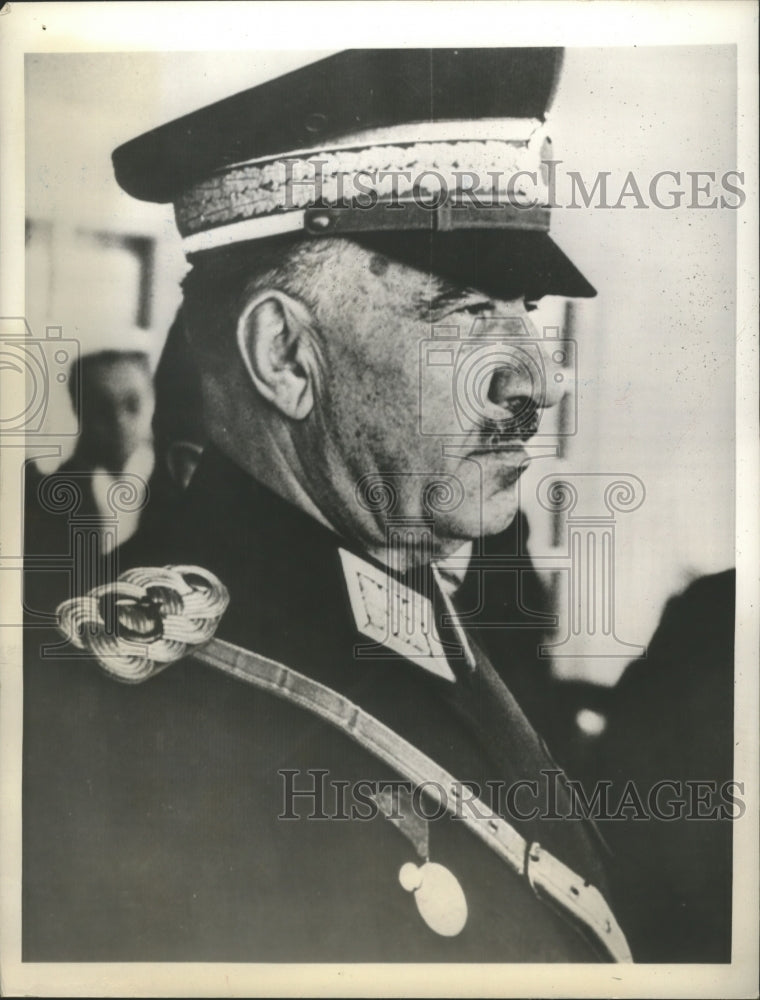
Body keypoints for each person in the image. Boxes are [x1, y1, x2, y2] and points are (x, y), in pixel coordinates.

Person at [23, 49, 632, 963]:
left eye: (527, 308)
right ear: (285, 357)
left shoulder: (417, 620)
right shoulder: (134, 733)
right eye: (465, 312)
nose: (539, 380)